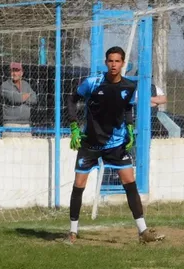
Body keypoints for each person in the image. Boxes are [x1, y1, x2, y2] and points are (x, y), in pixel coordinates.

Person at [68, 46, 164, 244]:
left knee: (130, 183)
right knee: (79, 184)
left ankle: (143, 231)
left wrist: (129, 127)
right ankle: (72, 232)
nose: (113, 65)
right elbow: (72, 100)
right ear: (106, 63)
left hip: (116, 144)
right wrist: (74, 127)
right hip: (91, 143)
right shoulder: (92, 83)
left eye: (117, 61)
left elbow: (127, 108)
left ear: (123, 64)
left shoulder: (129, 87)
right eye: (110, 61)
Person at [0, 61, 37, 127]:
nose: (14, 73)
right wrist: (26, 96)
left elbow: (34, 99)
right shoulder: (5, 85)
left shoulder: (26, 84)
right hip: (11, 124)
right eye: (12, 71)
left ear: (22, 73)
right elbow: (15, 99)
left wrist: (22, 98)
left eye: (17, 71)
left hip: (26, 124)